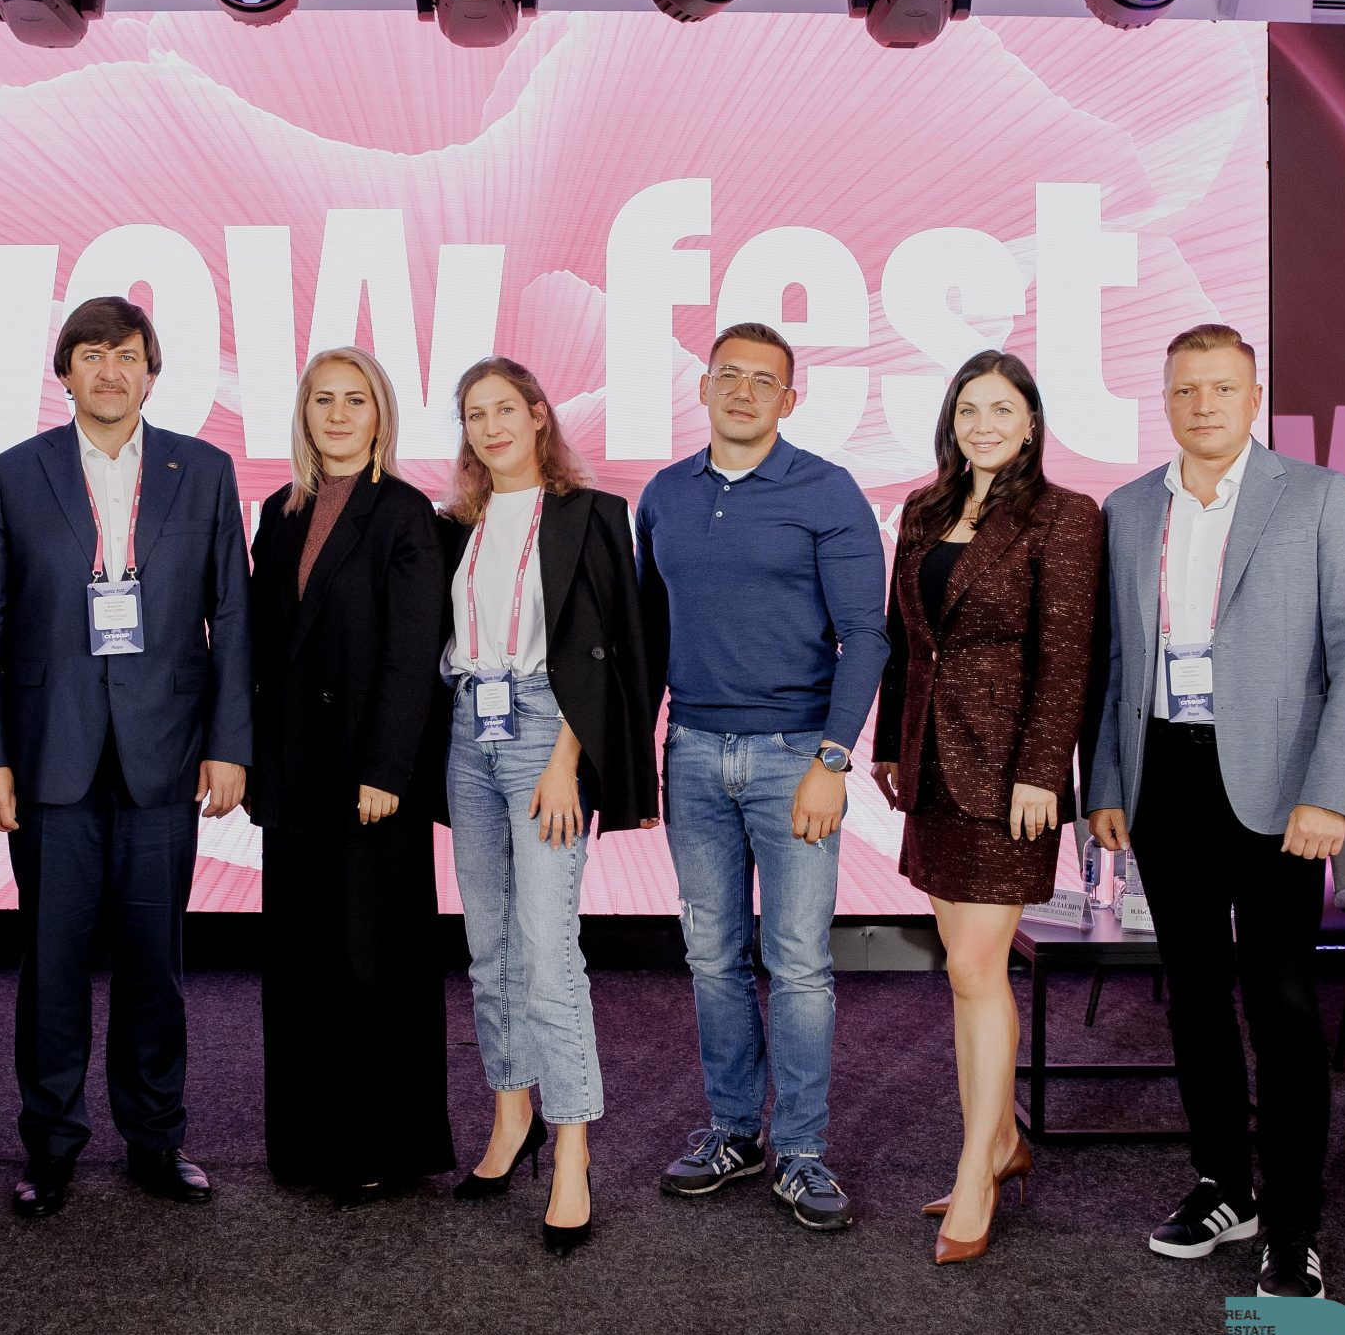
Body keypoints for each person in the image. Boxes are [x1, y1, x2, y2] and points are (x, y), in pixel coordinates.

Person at [1086, 324, 1345, 1301]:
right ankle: (1225, 1183)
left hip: (1279, 790)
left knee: (1283, 1003)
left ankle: (1293, 1222)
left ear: (1254, 397)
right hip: (1162, 778)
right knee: (1192, 995)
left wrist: (1330, 792)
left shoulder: (1317, 497)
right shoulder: (1128, 508)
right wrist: (1104, 781)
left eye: (1222, 387)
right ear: (1165, 401)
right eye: (1186, 389)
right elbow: (1112, 661)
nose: (1204, 404)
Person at [0, 295, 252, 1219]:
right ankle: (49, 1146)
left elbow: (233, 616)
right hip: (49, 758)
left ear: (152, 373)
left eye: (127, 355)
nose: (110, 371)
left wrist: (230, 746)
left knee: (154, 963)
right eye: (91, 355)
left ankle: (156, 1138)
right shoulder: (15, 473)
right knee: (51, 964)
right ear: (65, 373)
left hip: (166, 755)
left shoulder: (203, 470)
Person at [638, 322, 888, 1233]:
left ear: (790, 397)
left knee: (799, 964)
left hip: (795, 756)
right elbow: (647, 632)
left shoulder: (826, 490)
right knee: (711, 957)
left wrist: (832, 759)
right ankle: (734, 1131)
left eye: (762, 380)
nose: (742, 392)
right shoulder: (664, 495)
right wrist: (640, 754)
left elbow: (866, 636)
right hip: (694, 750)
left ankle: (805, 1150)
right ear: (704, 387)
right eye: (728, 376)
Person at [872, 351, 1103, 1265]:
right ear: (951, 421)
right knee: (965, 970)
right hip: (931, 767)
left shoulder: (1065, 516)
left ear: (1032, 422)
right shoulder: (924, 511)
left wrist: (1043, 772)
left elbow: (1068, 655)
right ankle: (1001, 1140)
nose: (984, 424)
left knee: (975, 967)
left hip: (1010, 776)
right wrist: (889, 743)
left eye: (1002, 409)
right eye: (969, 409)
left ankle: (978, 1169)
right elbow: (904, 642)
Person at [438, 356, 659, 1256]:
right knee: (487, 948)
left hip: (544, 735)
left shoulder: (592, 515)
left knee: (546, 950)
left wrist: (570, 758)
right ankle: (510, 1115)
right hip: (468, 730)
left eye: (505, 409)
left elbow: (611, 646)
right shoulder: (455, 524)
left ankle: (572, 1150)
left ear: (538, 416)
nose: (491, 427)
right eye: (474, 414)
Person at [246, 347, 453, 1205]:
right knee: (300, 963)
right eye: (323, 399)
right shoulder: (278, 510)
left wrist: (387, 767)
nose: (337, 414)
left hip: (370, 777)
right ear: (304, 413)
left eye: (355, 399)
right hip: (295, 773)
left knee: (373, 963)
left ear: (380, 415)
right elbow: (262, 648)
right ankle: (305, 1145)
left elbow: (413, 653)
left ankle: (380, 1145)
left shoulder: (405, 512)